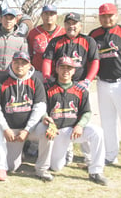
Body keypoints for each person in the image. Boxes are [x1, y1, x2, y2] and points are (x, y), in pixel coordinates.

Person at [42, 56, 108, 185]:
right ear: (56, 69)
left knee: (97, 132)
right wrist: (47, 119)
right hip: (58, 132)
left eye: (69, 68)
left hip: (74, 129)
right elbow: (42, 108)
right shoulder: (48, 88)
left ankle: (96, 171)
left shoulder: (80, 90)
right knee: (56, 167)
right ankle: (65, 154)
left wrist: (80, 125)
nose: (66, 70)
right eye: (62, 67)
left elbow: (87, 112)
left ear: (74, 71)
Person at [0, 51, 52, 181]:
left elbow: (39, 108)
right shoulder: (2, 82)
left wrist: (27, 129)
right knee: (11, 167)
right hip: (12, 130)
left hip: (30, 129)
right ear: (11, 64)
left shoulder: (36, 82)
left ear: (29, 65)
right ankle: (17, 155)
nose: (20, 66)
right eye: (16, 62)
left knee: (47, 130)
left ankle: (42, 169)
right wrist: (6, 129)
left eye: (23, 63)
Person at [89, 3, 121, 168]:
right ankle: (111, 155)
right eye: (104, 16)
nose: (107, 18)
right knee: (107, 121)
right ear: (99, 17)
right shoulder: (94, 35)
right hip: (103, 82)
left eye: (110, 15)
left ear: (117, 15)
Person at [42, 12, 99, 89]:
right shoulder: (56, 41)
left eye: (74, 23)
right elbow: (47, 60)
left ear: (80, 26)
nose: (71, 26)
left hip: (80, 84)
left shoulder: (89, 41)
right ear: (64, 25)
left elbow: (94, 61)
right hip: (59, 84)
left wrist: (88, 80)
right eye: (68, 23)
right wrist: (47, 77)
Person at [27, 5, 65, 80]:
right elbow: (30, 53)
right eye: (46, 14)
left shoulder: (63, 32)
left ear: (56, 16)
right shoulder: (34, 33)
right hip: (38, 72)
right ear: (41, 15)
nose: (49, 16)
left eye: (52, 14)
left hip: (59, 73)